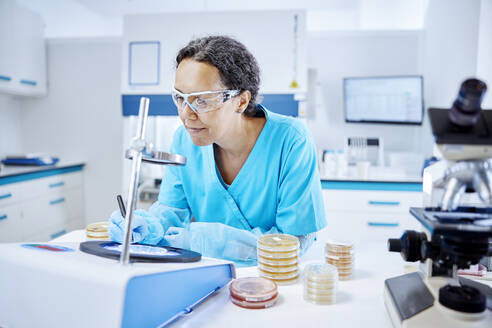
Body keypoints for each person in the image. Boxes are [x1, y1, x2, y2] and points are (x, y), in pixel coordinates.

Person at [109, 35, 326, 266]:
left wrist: (202, 240)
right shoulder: (183, 140)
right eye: (180, 98)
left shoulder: (291, 140)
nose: (186, 114)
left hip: (271, 276)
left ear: (241, 101)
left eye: (201, 100)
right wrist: (148, 227)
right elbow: (171, 210)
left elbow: (294, 241)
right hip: (209, 272)